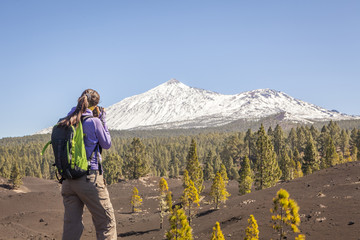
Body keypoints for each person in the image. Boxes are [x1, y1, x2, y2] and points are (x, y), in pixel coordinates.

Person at [58, 89, 117, 240]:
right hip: (89, 179)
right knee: (106, 223)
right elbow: (107, 143)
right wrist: (102, 120)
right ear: (95, 106)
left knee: (71, 226)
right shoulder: (94, 122)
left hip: (68, 181)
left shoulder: (65, 121)